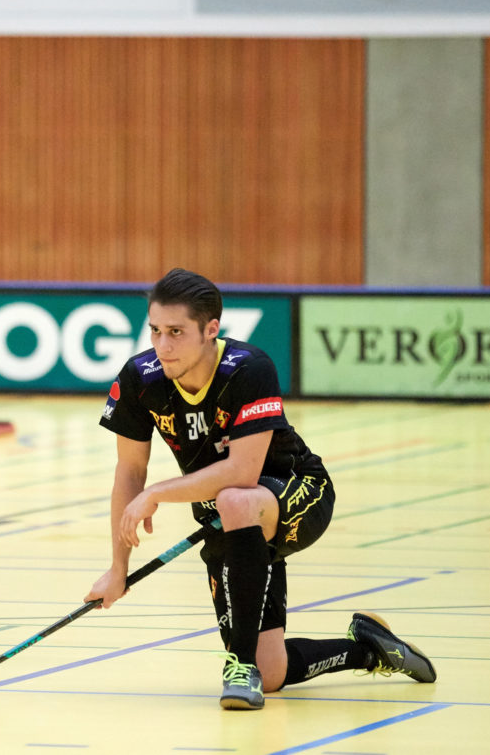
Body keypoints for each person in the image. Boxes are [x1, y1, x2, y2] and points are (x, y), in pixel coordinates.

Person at [88, 268, 437, 709]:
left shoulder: (249, 369)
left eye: (176, 332)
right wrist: (117, 568)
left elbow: (242, 473)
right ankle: (368, 648)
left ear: (210, 329)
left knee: (234, 498)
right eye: (155, 331)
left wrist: (158, 492)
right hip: (228, 519)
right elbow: (129, 471)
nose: (163, 345)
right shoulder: (141, 379)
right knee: (273, 674)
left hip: (297, 491)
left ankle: (239, 666)